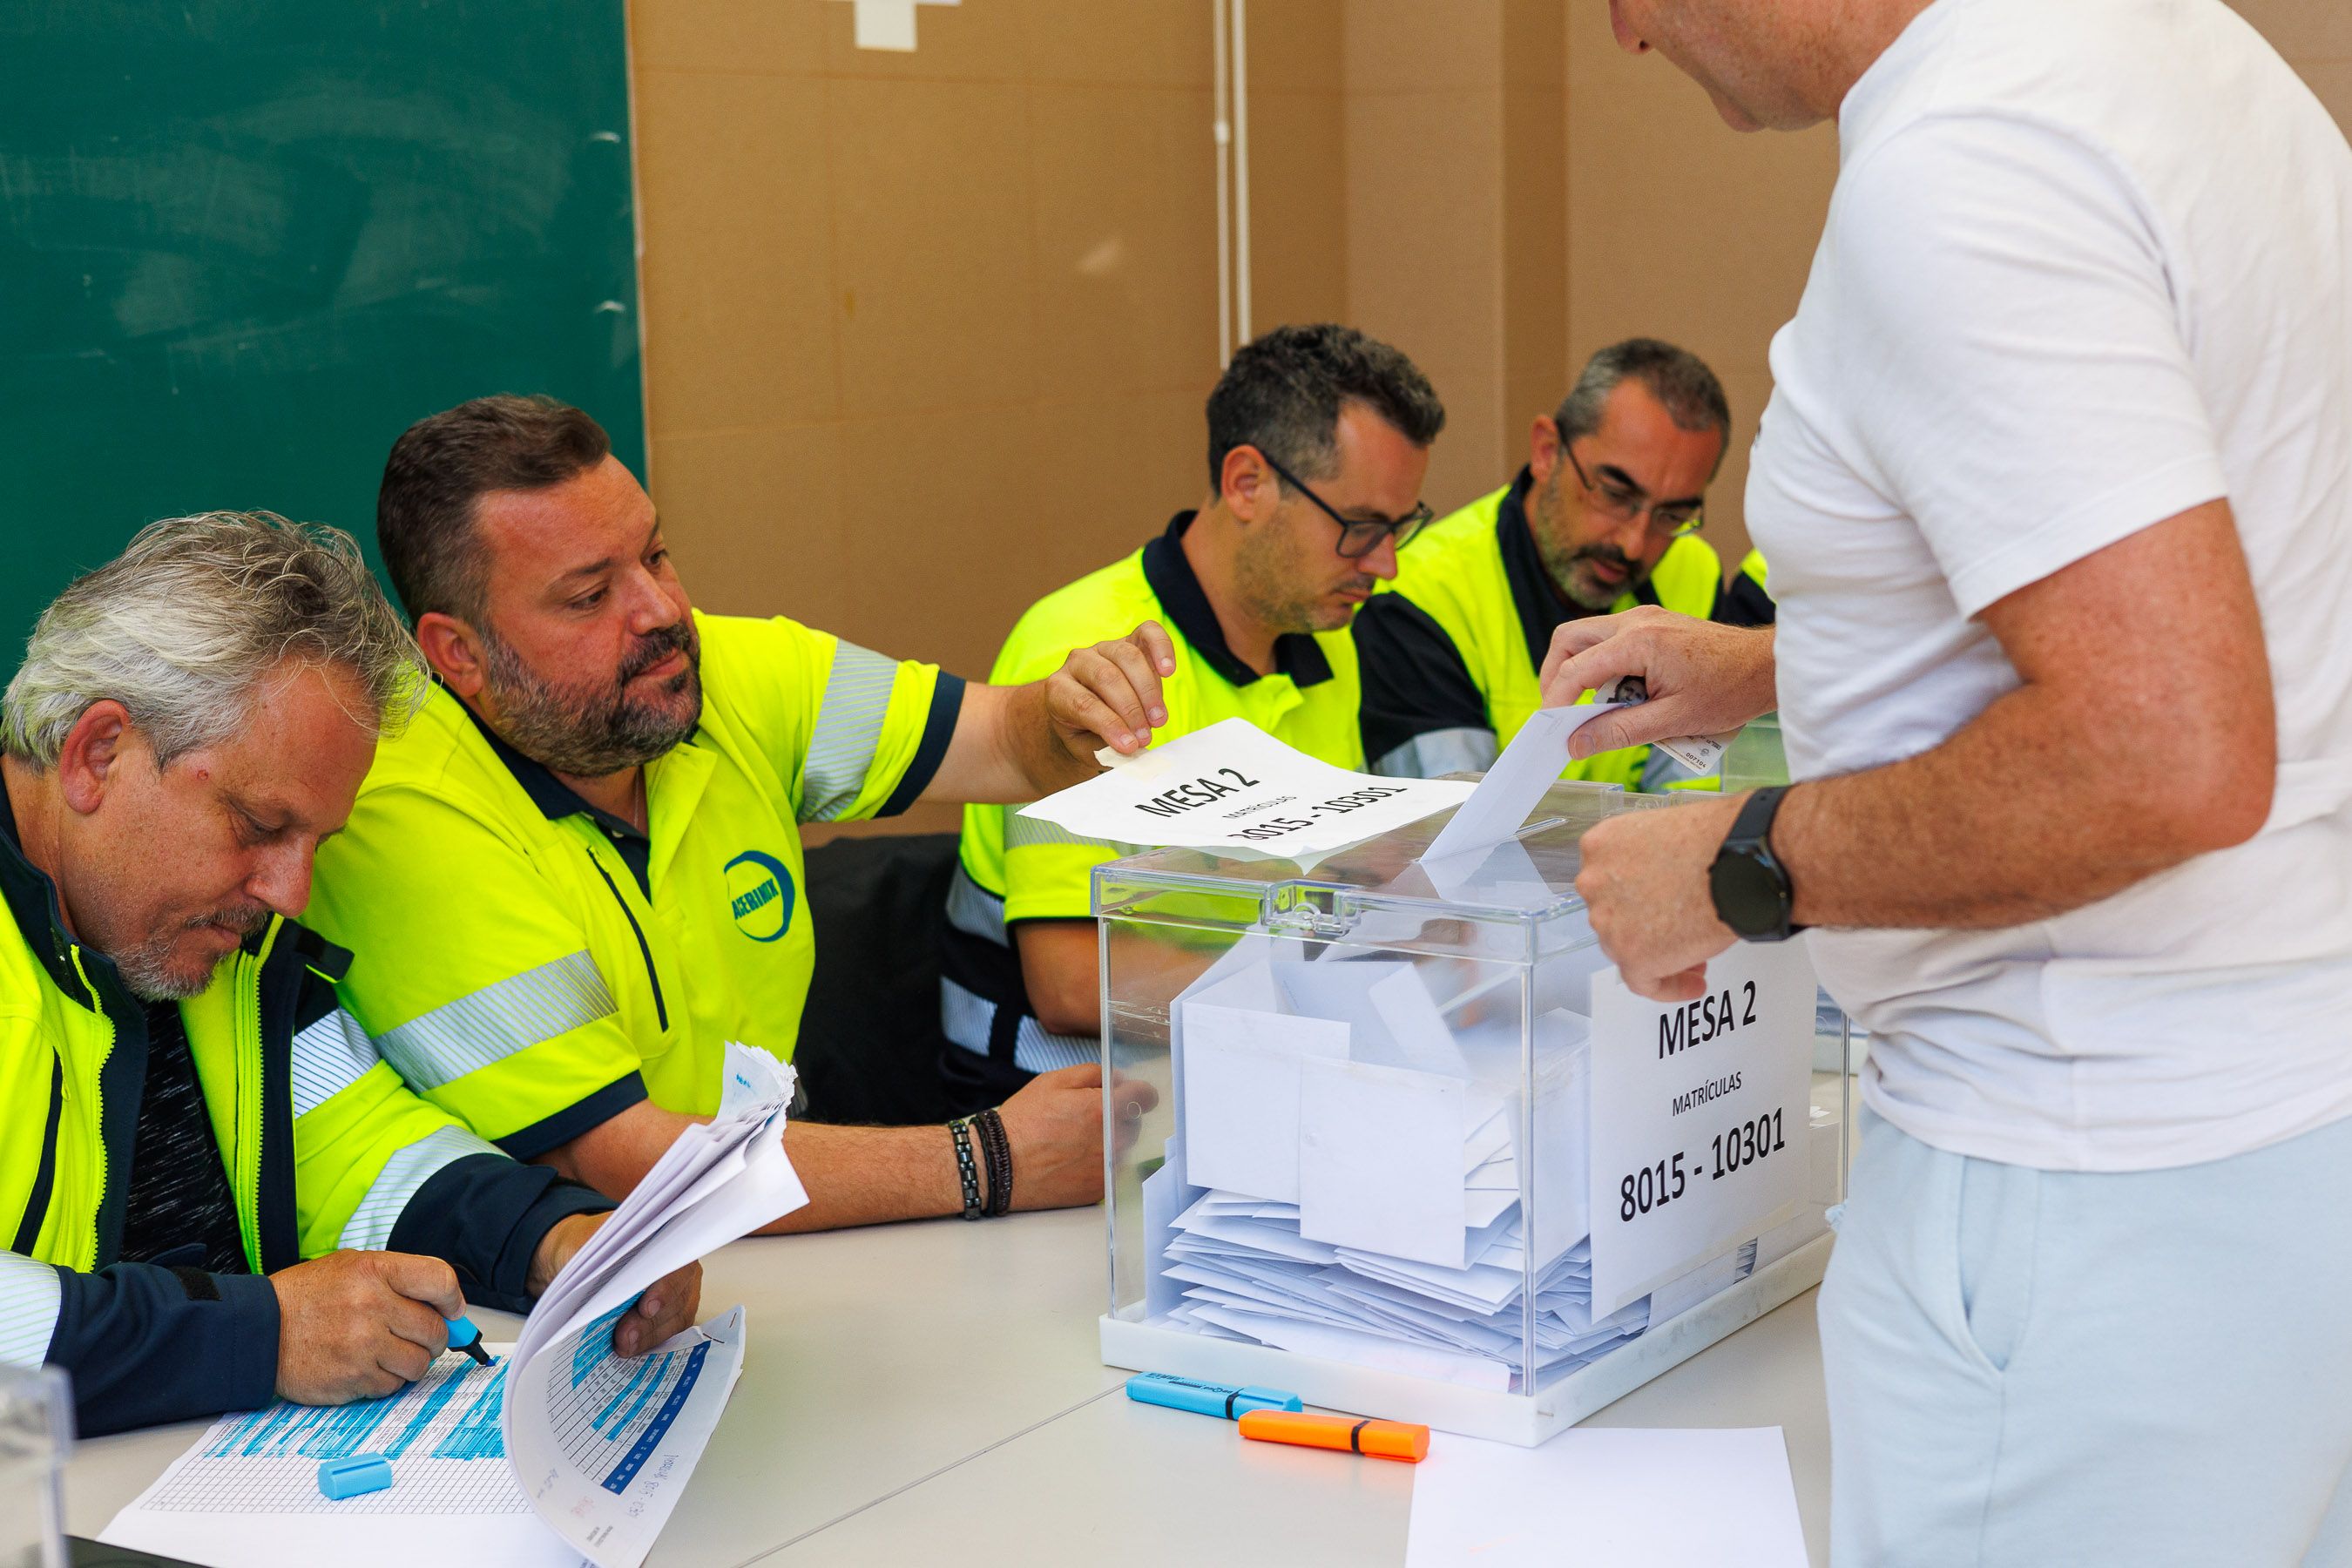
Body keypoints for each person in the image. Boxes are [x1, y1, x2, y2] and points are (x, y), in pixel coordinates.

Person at [1552, 1, 2352, 1561]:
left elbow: (2167, 752)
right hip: (2270, 1125)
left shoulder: (1965, 162)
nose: (1627, 34)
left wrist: (1735, 859)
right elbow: (2210, 596)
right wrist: (1789, 667)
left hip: (2080, 1189)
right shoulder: (2186, 57)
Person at [306, 396, 1168, 1232]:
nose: (661, 612)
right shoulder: (399, 813)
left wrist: (1068, 712)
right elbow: (629, 1161)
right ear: (459, 654)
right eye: (589, 596)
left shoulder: (716, 671)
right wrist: (987, 1160)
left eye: (657, 555)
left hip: (756, 1228)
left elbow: (1008, 745)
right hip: (555, 1292)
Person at [0, 514, 699, 1437]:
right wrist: (263, 1335)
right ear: (98, 755)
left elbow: (361, 1145)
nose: (290, 894)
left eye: (316, 842)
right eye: (258, 826)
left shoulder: (219, 937)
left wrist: (554, 1238)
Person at [942, 323, 1446, 1108]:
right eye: (1360, 528)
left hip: (1243, 1066)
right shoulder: (1086, 660)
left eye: (1401, 528)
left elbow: (1325, 883)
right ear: (1247, 483)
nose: (1385, 565)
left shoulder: (1326, 640)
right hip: (1066, 1106)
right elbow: (1073, 982)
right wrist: (1322, 996)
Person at [1355, 337, 1770, 789]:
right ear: (1547, 451)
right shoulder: (1420, 595)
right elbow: (1452, 826)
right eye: (1615, 494)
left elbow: (1690, 796)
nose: (1634, 544)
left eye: (1672, 515)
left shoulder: (1692, 569)